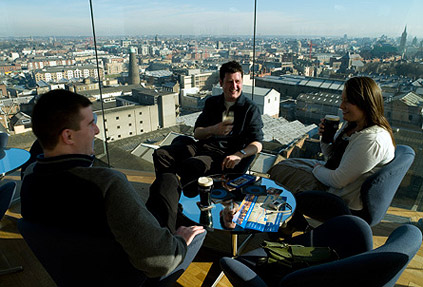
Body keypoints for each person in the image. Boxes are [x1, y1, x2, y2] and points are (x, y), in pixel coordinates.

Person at [20, 89, 205, 285]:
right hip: (130, 276)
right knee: (174, 193)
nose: (97, 131)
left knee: (164, 183)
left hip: (79, 272)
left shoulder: (30, 177)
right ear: (68, 136)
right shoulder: (106, 184)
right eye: (91, 124)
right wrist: (181, 241)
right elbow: (161, 261)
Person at [269, 76, 396, 233]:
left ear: (364, 103)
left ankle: (294, 224)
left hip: (339, 197)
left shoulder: (371, 140)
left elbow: (338, 180)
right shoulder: (356, 126)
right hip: (334, 175)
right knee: (284, 165)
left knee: (278, 171)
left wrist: (316, 169)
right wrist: (326, 138)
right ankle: (295, 222)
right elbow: (330, 154)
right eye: (342, 100)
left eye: (347, 102)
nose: (341, 106)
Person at [150, 60, 263, 201]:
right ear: (221, 83)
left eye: (237, 81)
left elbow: (258, 144)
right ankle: (166, 196)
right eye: (229, 82)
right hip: (201, 147)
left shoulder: (249, 109)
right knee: (161, 154)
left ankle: (178, 197)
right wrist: (214, 129)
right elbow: (197, 133)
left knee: (191, 166)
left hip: (222, 157)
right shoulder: (212, 102)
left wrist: (239, 155)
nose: (234, 86)